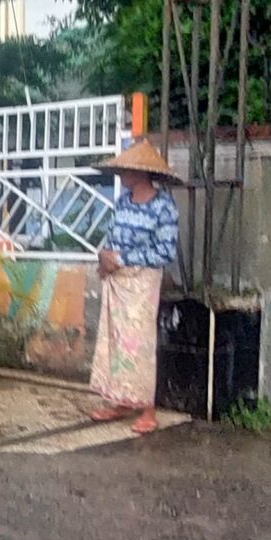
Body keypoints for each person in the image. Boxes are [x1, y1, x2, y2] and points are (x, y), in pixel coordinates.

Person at [88, 139, 181, 436]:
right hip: (117, 280)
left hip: (142, 281)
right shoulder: (123, 202)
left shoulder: (163, 206)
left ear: (141, 173)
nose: (121, 176)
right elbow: (111, 237)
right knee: (114, 339)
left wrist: (123, 258)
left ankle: (147, 407)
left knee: (138, 342)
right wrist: (105, 259)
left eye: (126, 170)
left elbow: (165, 251)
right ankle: (119, 400)